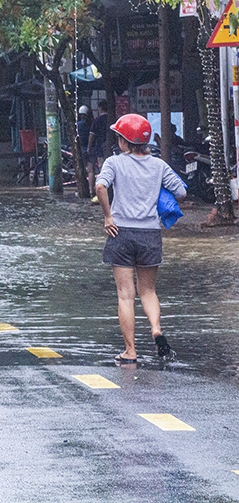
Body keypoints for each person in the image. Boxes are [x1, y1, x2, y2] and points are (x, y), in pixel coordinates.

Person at [94, 113, 185, 365]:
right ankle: (156, 329)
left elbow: (100, 187)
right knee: (148, 291)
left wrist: (108, 216)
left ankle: (130, 351)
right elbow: (181, 191)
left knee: (126, 295)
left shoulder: (113, 162)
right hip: (150, 234)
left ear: (124, 141)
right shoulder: (159, 165)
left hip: (120, 232)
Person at [88, 100, 109, 202]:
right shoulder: (111, 119)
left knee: (102, 170)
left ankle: (101, 193)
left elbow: (92, 135)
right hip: (111, 149)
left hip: (100, 149)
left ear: (100, 108)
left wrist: (89, 146)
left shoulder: (97, 120)